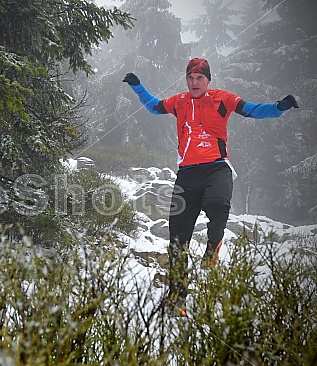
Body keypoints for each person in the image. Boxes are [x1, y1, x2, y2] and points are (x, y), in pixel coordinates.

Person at [123, 58, 299, 315]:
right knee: (177, 240)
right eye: (191, 78)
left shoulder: (221, 99)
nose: (195, 83)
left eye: (200, 79)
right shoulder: (179, 101)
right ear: (187, 80)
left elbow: (252, 109)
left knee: (217, 204)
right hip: (187, 174)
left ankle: (212, 247)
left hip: (217, 168)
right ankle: (177, 300)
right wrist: (138, 86)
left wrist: (278, 107)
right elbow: (154, 107)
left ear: (208, 80)